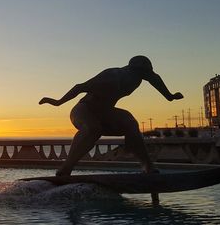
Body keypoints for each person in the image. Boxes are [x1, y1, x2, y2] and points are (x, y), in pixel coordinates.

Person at [39, 56, 183, 176]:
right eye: (144, 74)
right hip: (84, 110)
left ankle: (147, 166)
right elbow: (79, 87)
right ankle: (66, 169)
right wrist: (58, 102)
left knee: (130, 122)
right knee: (93, 129)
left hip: (106, 112)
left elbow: (155, 79)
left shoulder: (141, 75)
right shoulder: (112, 76)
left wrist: (169, 96)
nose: (146, 77)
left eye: (146, 74)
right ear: (133, 70)